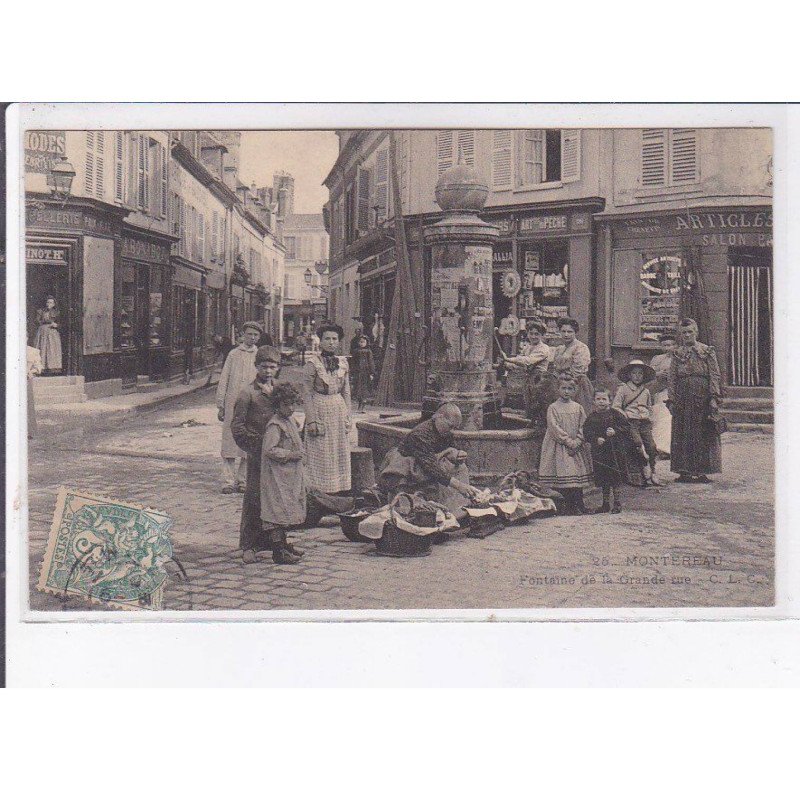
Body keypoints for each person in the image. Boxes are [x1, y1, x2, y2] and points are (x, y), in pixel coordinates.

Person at [377, 403, 480, 513]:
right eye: (451, 426)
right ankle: (444, 510)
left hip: (429, 461)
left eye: (455, 428)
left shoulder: (444, 431)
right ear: (439, 417)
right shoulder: (420, 434)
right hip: (409, 465)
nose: (452, 431)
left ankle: (459, 507)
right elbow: (430, 466)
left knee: (460, 467)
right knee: (440, 477)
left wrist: (457, 454)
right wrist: (459, 486)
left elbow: (449, 447)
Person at [231, 346, 280, 564]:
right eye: (264, 367)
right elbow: (237, 426)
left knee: (274, 497)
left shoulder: (279, 389)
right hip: (257, 451)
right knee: (254, 496)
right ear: (256, 367)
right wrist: (253, 446)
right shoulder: (247, 393)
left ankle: (270, 541)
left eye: (273, 367)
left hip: (276, 453)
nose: (268, 371)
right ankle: (248, 544)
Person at [668, 318, 723, 483]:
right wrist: (671, 399)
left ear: (696, 332)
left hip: (702, 395)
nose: (687, 335)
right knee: (682, 432)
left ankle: (702, 471)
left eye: (690, 332)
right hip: (682, 395)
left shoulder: (706, 351)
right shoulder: (677, 353)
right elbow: (672, 377)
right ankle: (684, 471)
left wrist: (714, 397)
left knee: (702, 432)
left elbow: (715, 374)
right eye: (684, 332)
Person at [302, 323, 353, 494]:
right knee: (321, 451)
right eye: (327, 339)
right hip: (320, 407)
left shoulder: (343, 362)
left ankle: (337, 492)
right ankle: (318, 493)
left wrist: (348, 417)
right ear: (320, 341)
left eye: (334, 339)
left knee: (338, 450)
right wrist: (311, 420)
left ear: (338, 341)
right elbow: (307, 393)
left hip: (338, 408)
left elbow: (346, 391)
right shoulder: (312, 363)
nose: (331, 342)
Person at [261, 382, 307, 565]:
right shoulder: (275, 425)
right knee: (277, 511)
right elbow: (270, 450)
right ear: (277, 405)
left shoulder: (289, 421)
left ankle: (284, 544)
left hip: (287, 475)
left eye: (293, 404)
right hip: (276, 475)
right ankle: (278, 551)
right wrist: (291, 454)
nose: (290, 408)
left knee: (286, 508)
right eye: (286, 405)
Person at [216, 321, 262, 494]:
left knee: (248, 441)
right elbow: (224, 379)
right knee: (229, 441)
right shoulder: (233, 354)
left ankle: (242, 480)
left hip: (252, 404)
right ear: (243, 335)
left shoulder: (259, 356)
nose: (252, 337)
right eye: (249, 334)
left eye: (255, 335)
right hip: (232, 402)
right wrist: (221, 404)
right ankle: (227, 481)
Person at [538, 378, 593, 514]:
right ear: (558, 390)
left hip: (576, 446)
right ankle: (567, 506)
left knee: (576, 475)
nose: (567, 392)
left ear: (575, 391)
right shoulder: (553, 408)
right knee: (564, 474)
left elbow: (584, 425)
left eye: (570, 389)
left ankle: (580, 505)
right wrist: (569, 442)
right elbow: (554, 428)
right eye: (564, 388)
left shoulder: (578, 407)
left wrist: (578, 441)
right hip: (559, 446)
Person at [613, 359, 662, 486]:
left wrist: (650, 418)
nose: (637, 376)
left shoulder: (645, 391)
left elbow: (649, 407)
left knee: (651, 446)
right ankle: (643, 467)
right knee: (637, 444)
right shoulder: (623, 389)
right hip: (631, 422)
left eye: (640, 374)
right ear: (629, 375)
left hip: (644, 422)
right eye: (634, 373)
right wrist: (625, 416)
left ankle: (653, 470)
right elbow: (616, 406)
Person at [501, 320, 556, 432]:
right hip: (530, 379)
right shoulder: (528, 347)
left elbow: (528, 361)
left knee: (539, 404)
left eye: (537, 334)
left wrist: (508, 359)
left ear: (542, 335)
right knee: (529, 402)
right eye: (531, 333)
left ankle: (542, 429)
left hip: (540, 380)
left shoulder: (544, 348)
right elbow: (520, 364)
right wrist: (507, 364)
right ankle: (533, 424)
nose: (533, 336)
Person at [583, 388, 631, 513]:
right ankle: (605, 504)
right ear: (593, 401)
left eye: (604, 399)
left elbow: (626, 427)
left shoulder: (615, 414)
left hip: (614, 451)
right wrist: (595, 439)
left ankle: (617, 503)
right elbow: (586, 432)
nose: (601, 402)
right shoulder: (591, 417)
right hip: (600, 453)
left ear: (610, 401)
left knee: (615, 477)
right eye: (598, 399)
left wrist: (615, 431)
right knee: (603, 478)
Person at [551, 317, 594, 415]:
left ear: (575, 332)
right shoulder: (559, 349)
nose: (566, 334)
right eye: (563, 331)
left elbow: (578, 370)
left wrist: (566, 382)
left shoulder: (581, 347)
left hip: (576, 384)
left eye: (570, 332)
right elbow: (555, 368)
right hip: (560, 384)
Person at [650, 333, 676, 457]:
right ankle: (659, 447)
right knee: (660, 418)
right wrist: (659, 374)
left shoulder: (678, 358)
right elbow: (649, 374)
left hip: (674, 391)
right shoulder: (657, 359)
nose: (668, 348)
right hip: (661, 391)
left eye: (671, 345)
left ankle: (669, 448)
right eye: (665, 345)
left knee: (669, 419)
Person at [33, 296, 62, 373]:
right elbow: (37, 321)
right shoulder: (40, 311)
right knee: (42, 347)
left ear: (54, 304)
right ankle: (41, 368)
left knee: (52, 348)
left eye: (51, 302)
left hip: (52, 332)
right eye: (47, 302)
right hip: (42, 331)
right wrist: (45, 323)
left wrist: (56, 325)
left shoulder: (57, 312)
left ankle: (52, 367)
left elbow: (60, 323)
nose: (48, 304)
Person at [351, 335, 375, 413]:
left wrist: (371, 373)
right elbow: (353, 362)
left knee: (364, 389)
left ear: (366, 342)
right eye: (360, 342)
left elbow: (371, 362)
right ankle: (359, 405)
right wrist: (352, 371)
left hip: (366, 372)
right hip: (358, 372)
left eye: (363, 342)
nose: (362, 343)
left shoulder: (368, 351)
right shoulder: (356, 351)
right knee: (358, 388)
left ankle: (362, 407)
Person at [27, 345, 43, 439]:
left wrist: (30, 371)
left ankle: (29, 431)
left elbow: (38, 367)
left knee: (28, 405)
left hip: (25, 380)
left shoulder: (32, 351)